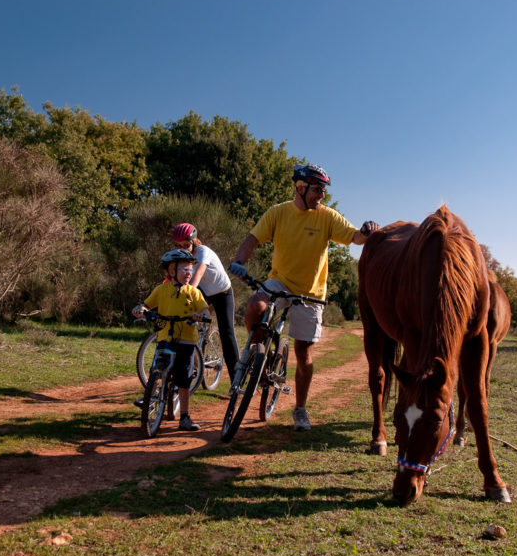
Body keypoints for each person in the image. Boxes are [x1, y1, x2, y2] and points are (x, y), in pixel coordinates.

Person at [228, 163, 379, 431]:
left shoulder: (328, 217)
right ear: (301, 188)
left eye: (323, 190)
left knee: (303, 353)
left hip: (311, 292)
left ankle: (300, 410)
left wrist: (366, 231)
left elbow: (355, 237)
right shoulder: (278, 212)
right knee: (256, 305)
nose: (321, 195)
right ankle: (256, 352)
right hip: (280, 282)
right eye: (317, 189)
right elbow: (253, 238)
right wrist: (240, 261)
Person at [133, 249, 210, 431]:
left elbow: (205, 309)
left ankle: (185, 416)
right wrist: (140, 309)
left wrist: (201, 315)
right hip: (165, 336)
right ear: (171, 271)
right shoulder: (161, 290)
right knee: (157, 369)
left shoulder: (194, 292)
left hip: (186, 340)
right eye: (184, 269)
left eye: (191, 269)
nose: (189, 273)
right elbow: (146, 304)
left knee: (184, 378)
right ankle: (151, 396)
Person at [171, 223, 240, 380]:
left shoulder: (203, 251)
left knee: (227, 333)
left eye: (186, 244)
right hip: (204, 291)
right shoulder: (181, 255)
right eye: (178, 245)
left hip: (222, 292)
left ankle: (236, 380)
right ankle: (193, 359)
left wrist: (188, 293)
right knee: (182, 319)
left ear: (194, 241)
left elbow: (199, 273)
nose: (182, 247)